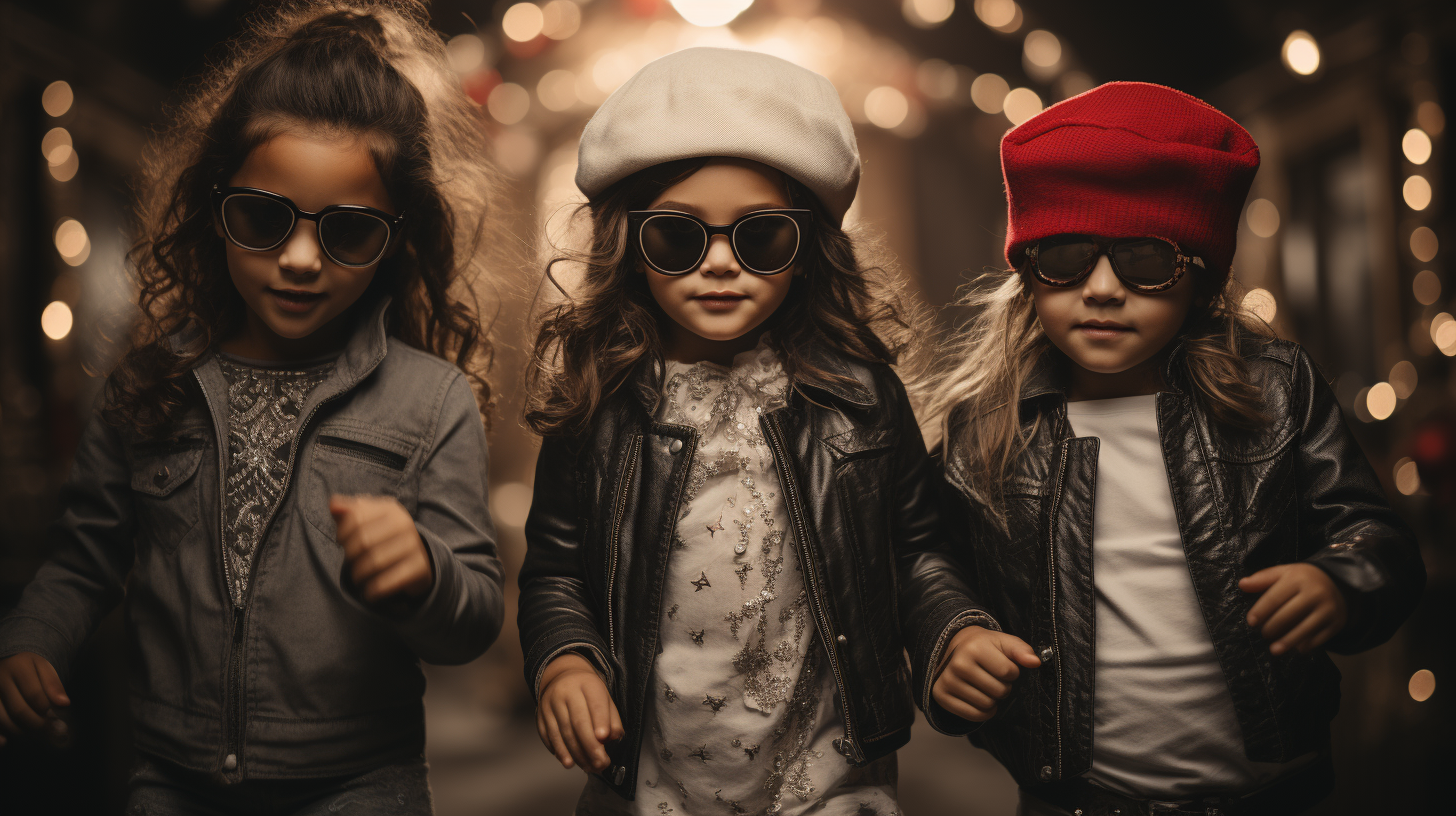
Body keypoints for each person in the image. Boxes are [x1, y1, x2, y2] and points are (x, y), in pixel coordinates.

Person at [0, 3, 503, 813]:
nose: (301, 260)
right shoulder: (150, 383)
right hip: (172, 782)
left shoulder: (430, 400)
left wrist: (425, 576)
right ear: (215, 205)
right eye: (266, 218)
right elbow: (83, 557)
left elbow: (475, 617)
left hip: (361, 787)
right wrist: (30, 642)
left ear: (396, 239)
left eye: (347, 232)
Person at [917, 81, 1425, 815]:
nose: (1101, 289)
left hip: (1273, 795)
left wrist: (1341, 582)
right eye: (1064, 256)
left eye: (1146, 262)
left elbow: (1380, 539)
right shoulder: (985, 424)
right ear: (1027, 272)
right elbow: (926, 555)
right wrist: (950, 633)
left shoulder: (1276, 390)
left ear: (1199, 280)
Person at [517, 47, 972, 816]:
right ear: (631, 244)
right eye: (678, 237)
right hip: (650, 786)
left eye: (760, 237)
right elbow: (555, 570)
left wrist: (953, 632)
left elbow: (918, 550)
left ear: (806, 250)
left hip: (829, 783)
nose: (721, 263)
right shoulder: (603, 402)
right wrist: (566, 660)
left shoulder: (860, 397)